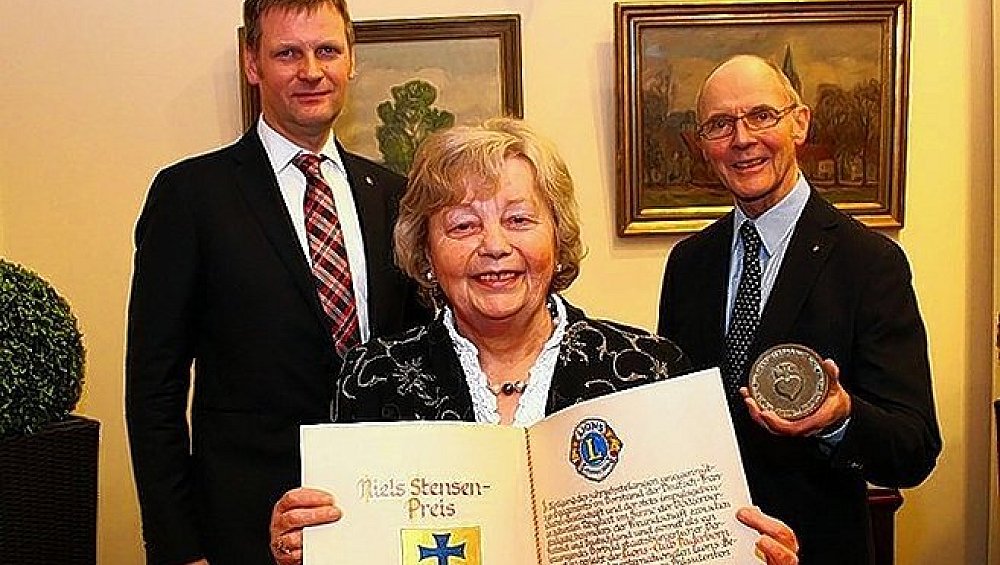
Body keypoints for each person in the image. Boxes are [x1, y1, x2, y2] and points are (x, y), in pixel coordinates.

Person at [265, 118, 801, 565]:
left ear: (557, 236)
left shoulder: (648, 372)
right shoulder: (372, 376)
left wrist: (752, 552)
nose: (494, 246)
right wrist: (304, 540)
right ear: (425, 254)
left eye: (519, 219)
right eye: (462, 226)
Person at [125, 0, 424, 563]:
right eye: (287, 53)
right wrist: (180, 547)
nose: (311, 71)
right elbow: (153, 391)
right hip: (242, 528)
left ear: (351, 61)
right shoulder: (190, 198)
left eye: (327, 50)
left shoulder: (393, 195)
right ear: (252, 63)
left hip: (381, 515)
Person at [657, 54, 941, 564]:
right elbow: (679, 412)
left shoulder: (870, 263)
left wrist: (839, 418)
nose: (742, 139)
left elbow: (914, 447)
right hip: (705, 549)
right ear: (703, 144)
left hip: (819, 550)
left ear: (800, 123)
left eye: (761, 115)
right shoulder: (688, 264)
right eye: (720, 124)